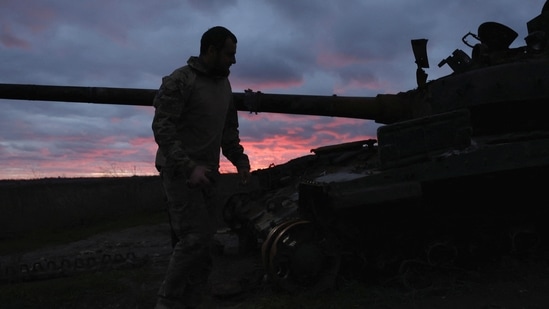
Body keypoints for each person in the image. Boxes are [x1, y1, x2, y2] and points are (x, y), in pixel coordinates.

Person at [151, 26, 251, 309]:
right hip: (179, 172)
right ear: (211, 51)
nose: (233, 60)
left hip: (208, 173)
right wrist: (189, 167)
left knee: (206, 243)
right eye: (229, 54)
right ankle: (168, 302)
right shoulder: (181, 80)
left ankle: (195, 300)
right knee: (192, 240)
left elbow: (228, 133)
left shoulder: (225, 86)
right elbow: (163, 128)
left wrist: (240, 162)